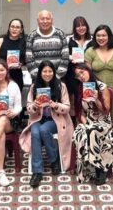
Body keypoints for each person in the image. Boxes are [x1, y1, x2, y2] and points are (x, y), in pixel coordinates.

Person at [20, 60, 74, 188]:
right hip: (38, 119)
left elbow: (67, 107)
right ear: (40, 73)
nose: (47, 74)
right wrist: (34, 105)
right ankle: (37, 171)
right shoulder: (34, 87)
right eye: (44, 71)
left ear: (54, 72)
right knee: (35, 132)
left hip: (56, 120)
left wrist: (55, 105)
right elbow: (28, 108)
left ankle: (53, 159)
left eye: (50, 71)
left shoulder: (61, 86)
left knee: (44, 130)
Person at [73, 63, 113, 185]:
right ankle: (90, 169)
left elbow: (106, 111)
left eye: (82, 72)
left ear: (88, 70)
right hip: (89, 121)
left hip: (103, 122)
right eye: (78, 75)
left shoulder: (102, 87)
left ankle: (100, 169)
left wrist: (96, 99)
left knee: (92, 132)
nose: (81, 76)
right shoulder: (80, 89)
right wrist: (85, 123)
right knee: (80, 133)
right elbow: (80, 112)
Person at [85, 25, 113, 124]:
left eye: (104, 35)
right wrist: (89, 92)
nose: (101, 38)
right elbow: (87, 74)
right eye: (98, 35)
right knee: (99, 113)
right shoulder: (90, 51)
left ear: (109, 36)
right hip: (98, 89)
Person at [25, 10, 69, 79]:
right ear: (38, 21)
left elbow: (65, 57)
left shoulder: (60, 34)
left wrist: (56, 77)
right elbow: (29, 60)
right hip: (38, 79)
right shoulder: (31, 36)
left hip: (58, 78)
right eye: (42, 19)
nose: (45, 21)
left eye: (47, 19)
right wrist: (40, 78)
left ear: (52, 20)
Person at [0, 18, 27, 91]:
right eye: (12, 27)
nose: (14, 29)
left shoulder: (24, 42)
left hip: (17, 75)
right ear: (9, 28)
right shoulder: (0, 41)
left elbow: (25, 60)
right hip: (1, 76)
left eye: (17, 27)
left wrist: (21, 64)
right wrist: (1, 66)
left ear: (21, 30)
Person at [65, 16, 93, 99]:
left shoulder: (93, 40)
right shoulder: (68, 39)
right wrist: (71, 57)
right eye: (78, 26)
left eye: (83, 25)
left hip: (88, 73)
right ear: (74, 28)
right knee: (73, 98)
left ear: (87, 26)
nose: (81, 28)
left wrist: (85, 59)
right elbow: (63, 54)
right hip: (72, 74)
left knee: (88, 98)